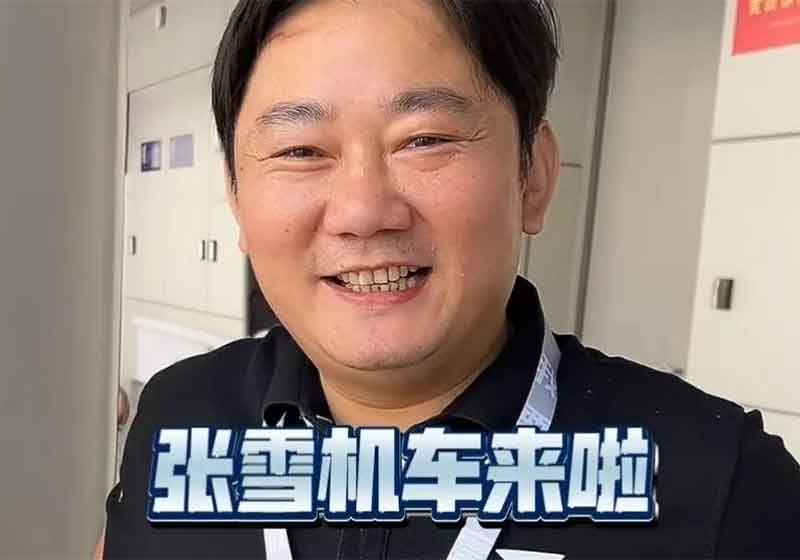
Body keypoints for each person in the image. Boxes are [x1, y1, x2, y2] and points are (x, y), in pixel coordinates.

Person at [102, 0, 800, 558]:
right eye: (301, 150)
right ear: (235, 196)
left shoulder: (719, 484)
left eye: (425, 139)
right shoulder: (177, 418)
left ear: (533, 176)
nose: (363, 211)